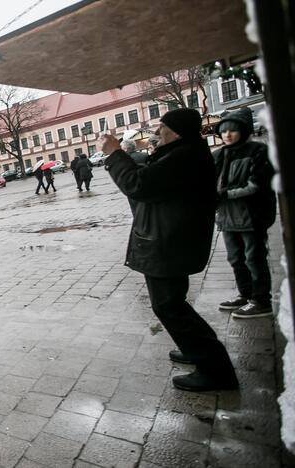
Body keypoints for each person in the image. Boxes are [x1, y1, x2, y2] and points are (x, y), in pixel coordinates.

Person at [101, 108, 237, 392]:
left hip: (169, 242)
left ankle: (215, 369)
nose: (156, 133)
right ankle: (195, 350)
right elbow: (150, 179)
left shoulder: (183, 157)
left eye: (161, 127)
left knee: (168, 305)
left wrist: (115, 154)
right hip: (173, 239)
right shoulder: (184, 153)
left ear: (176, 131)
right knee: (173, 301)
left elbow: (138, 185)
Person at [213, 108, 276, 319]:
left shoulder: (257, 151)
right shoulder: (219, 154)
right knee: (235, 258)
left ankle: (261, 300)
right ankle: (246, 294)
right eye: (223, 131)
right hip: (227, 217)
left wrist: (225, 194)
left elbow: (256, 185)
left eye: (232, 130)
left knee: (254, 258)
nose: (227, 135)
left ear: (243, 130)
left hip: (251, 216)